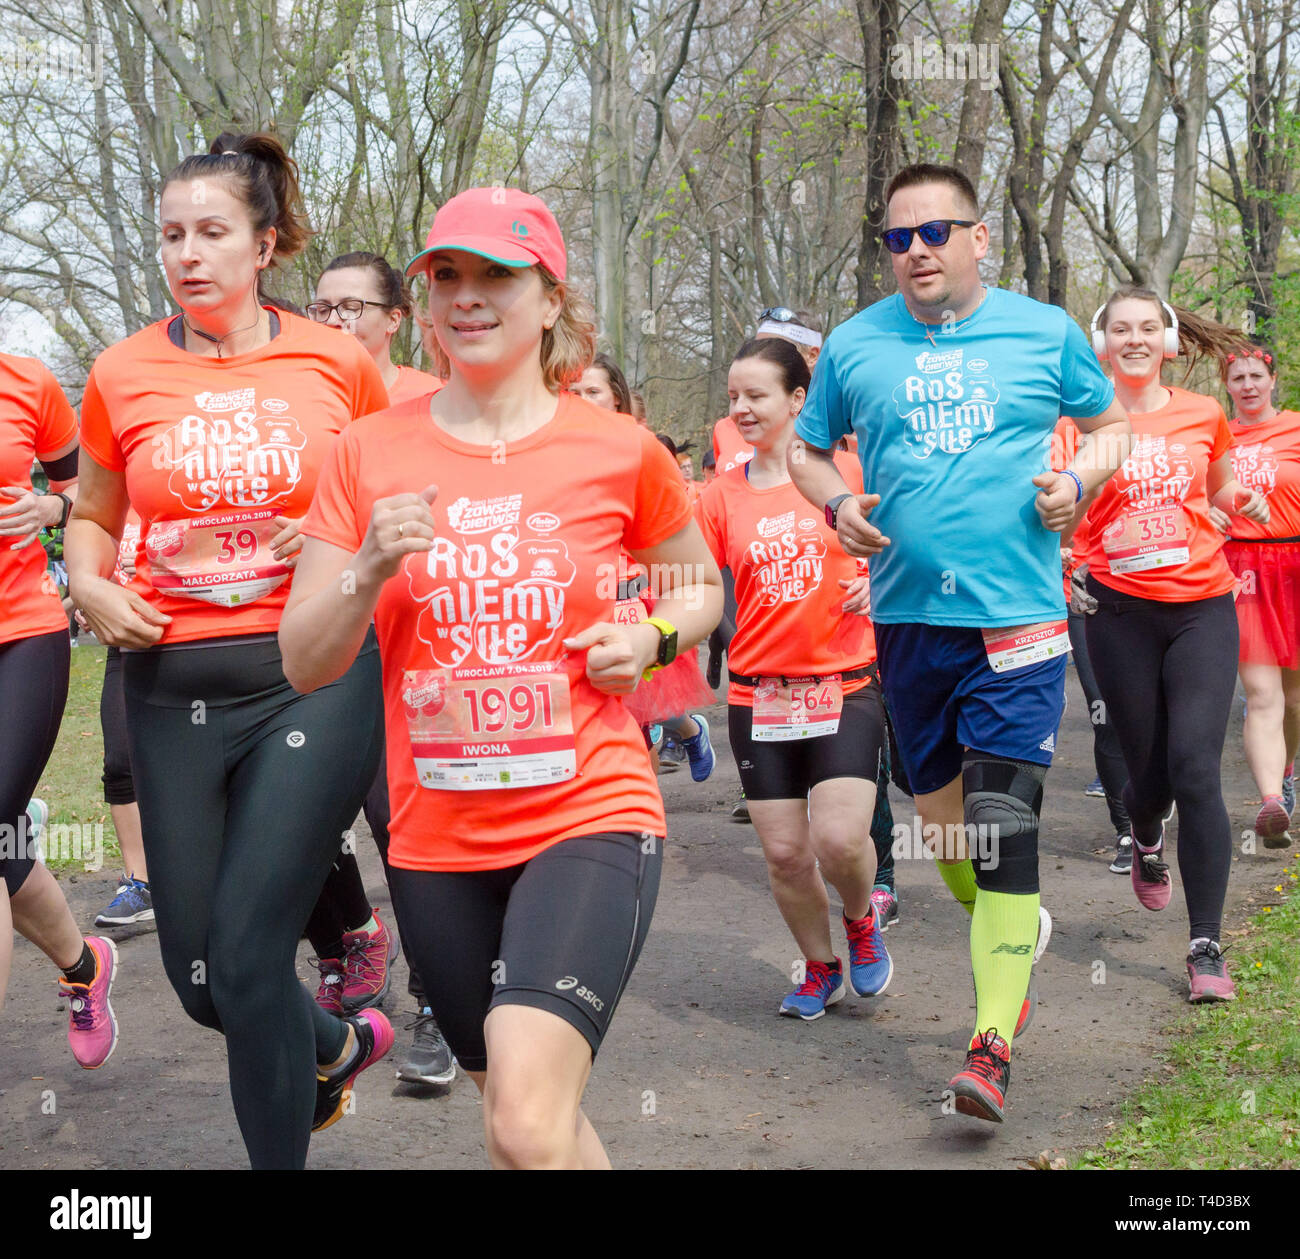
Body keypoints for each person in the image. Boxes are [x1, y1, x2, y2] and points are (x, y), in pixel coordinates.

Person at [280, 186, 723, 1168]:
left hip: (587, 809)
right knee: (524, 1124)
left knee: (524, 1119)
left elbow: (701, 589)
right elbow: (304, 659)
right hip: (436, 838)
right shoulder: (365, 452)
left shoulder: (618, 450)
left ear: (550, 298)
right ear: (425, 297)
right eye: (448, 274)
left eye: (496, 275)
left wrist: (652, 634)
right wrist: (363, 570)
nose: (467, 296)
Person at [65, 132, 394, 1169]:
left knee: (250, 955)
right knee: (203, 983)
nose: (187, 254)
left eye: (213, 233)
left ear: (266, 247)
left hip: (312, 674)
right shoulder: (122, 370)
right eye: (172, 236)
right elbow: (95, 514)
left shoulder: (334, 361)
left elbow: (394, 494)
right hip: (170, 682)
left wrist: (339, 534)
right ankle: (337, 1040)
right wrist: (86, 580)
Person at [790, 162, 1131, 1122]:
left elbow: (1110, 427)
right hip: (908, 627)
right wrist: (838, 502)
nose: (918, 252)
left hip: (1018, 618)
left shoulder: (1042, 331)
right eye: (899, 239)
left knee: (1002, 822)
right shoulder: (857, 345)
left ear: (979, 238)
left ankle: (989, 1047)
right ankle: (1010, 931)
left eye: (937, 232)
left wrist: (1081, 484)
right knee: (949, 834)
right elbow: (806, 450)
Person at [1081, 286, 1267, 1003]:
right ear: (1103, 342)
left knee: (1196, 767)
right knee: (1149, 776)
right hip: (1118, 611)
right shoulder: (1079, 422)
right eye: (1120, 327)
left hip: (1202, 607)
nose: (1134, 337)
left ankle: (1205, 944)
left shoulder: (1204, 413)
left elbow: (1219, 488)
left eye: (1147, 327)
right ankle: (1145, 829)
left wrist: (1236, 502)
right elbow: (1058, 509)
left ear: (1167, 340)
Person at [699, 337, 892, 1018]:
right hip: (760, 694)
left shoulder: (848, 472)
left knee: (838, 839)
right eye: (733, 397)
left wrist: (886, 585)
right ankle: (819, 966)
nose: (742, 408)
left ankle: (862, 917)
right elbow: (698, 584)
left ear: (799, 399)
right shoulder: (719, 495)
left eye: (757, 395)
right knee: (784, 853)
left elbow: (909, 542)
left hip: (843, 682)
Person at [308, 251, 454, 1087]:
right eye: (321, 308)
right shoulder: (296, 403)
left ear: (395, 318)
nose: (333, 323)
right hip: (318, 642)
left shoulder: (424, 408)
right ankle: (351, 943)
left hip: (406, 654)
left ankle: (438, 1001)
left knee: (405, 829)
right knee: (303, 816)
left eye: (351, 307)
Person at [1, 351, 119, 1066]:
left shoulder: (26, 381)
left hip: (23, 633)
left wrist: (50, 505)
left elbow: (92, 497)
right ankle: (85, 967)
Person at [1217, 346, 1300, 846]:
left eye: (1255, 376)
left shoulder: (1296, 428)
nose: (1247, 385)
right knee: (1263, 694)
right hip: (1243, 569)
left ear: (1272, 379)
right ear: (1227, 385)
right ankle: (1272, 800)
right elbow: (1198, 492)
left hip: (1296, 563)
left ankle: (1286, 770)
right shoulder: (1218, 437)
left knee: (1295, 698)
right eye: (1237, 377)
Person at [1052, 420, 1134, 872]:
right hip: (1077, 592)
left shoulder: (1121, 426)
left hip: (1143, 588)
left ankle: (1154, 794)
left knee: (1151, 711)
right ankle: (1128, 831)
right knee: (1103, 711)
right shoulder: (1030, 422)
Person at [91, 509, 155, 926]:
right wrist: (91, 599)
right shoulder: (107, 492)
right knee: (119, 760)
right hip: (126, 642)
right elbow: (89, 565)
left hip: (197, 636)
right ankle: (139, 884)